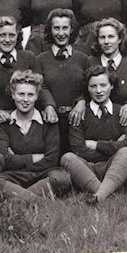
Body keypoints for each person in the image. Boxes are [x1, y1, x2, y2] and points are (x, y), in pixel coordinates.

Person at [0, 70, 71, 201]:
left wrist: (16, 158)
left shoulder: (48, 121)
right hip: (14, 176)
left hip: (42, 175)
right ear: (13, 95)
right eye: (21, 94)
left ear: (37, 96)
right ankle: (37, 200)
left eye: (30, 94)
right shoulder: (4, 122)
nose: (26, 100)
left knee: (62, 178)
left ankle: (17, 198)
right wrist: (35, 157)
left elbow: (51, 160)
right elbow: (4, 159)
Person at [61, 66, 127, 203]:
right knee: (68, 158)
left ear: (112, 86)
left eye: (103, 85)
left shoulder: (122, 111)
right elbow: (78, 149)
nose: (98, 91)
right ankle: (105, 193)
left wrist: (95, 145)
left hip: (114, 166)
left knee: (125, 152)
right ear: (88, 88)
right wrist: (114, 146)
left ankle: (99, 195)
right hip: (87, 169)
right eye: (93, 86)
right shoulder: (80, 114)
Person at [0, 16, 56, 129]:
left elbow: (41, 87)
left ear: (18, 36)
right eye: (2, 35)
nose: (7, 40)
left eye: (12, 35)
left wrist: (49, 105)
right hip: (3, 123)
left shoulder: (29, 58)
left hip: (29, 119)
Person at [35, 9, 88, 153]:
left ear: (71, 30)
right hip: (51, 120)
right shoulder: (40, 59)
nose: (61, 33)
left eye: (65, 28)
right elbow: (41, 86)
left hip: (77, 121)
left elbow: (89, 86)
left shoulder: (83, 59)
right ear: (50, 30)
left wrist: (82, 101)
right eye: (56, 28)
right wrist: (49, 105)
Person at [87, 17, 127, 123]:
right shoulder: (90, 62)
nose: (106, 42)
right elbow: (82, 90)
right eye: (102, 37)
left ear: (119, 39)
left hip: (125, 121)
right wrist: (81, 102)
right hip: (96, 121)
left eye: (111, 37)